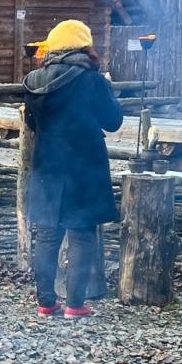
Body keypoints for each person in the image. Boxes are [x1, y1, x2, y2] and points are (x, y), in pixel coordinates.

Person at [22, 20, 123, 319]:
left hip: (46, 167)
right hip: (83, 168)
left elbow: (31, 123)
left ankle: (46, 303)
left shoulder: (35, 80)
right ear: (84, 47)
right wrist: (108, 88)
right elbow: (113, 121)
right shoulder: (92, 81)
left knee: (48, 235)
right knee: (81, 234)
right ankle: (75, 305)